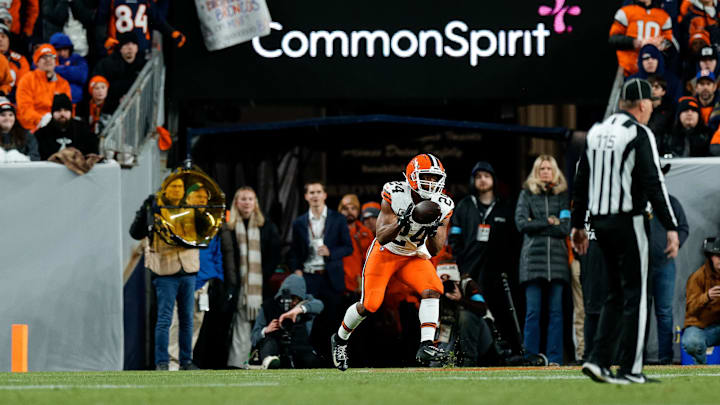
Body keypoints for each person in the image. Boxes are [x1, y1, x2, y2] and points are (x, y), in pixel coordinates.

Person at [572, 78, 679, 384]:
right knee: (637, 295)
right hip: (629, 221)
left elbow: (581, 181)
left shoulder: (596, 133)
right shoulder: (639, 132)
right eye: (651, 106)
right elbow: (653, 183)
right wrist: (670, 226)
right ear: (643, 105)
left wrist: (578, 225)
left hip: (600, 223)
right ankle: (631, 369)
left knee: (615, 294)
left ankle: (598, 360)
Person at [330, 153, 455, 371]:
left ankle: (426, 344)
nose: (431, 182)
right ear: (412, 176)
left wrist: (433, 228)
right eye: (427, 176)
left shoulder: (443, 205)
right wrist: (404, 221)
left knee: (434, 288)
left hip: (412, 254)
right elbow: (381, 235)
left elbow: (435, 250)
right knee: (370, 304)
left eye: (436, 178)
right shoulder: (396, 193)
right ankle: (339, 340)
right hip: (386, 252)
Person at [448, 161, 520, 352]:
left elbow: (514, 241)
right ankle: (471, 355)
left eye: (486, 176)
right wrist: (461, 267)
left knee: (503, 313)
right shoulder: (464, 206)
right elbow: (454, 239)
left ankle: (508, 352)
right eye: (478, 176)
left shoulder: (505, 206)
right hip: (469, 272)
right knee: (471, 312)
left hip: (498, 272)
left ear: (493, 180)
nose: (482, 180)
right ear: (473, 181)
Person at [129, 178, 200, 371]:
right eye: (173, 187)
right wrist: (143, 212)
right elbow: (135, 233)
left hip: (188, 268)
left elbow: (203, 234)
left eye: (180, 187)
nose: (177, 190)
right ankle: (162, 362)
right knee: (165, 318)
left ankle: (186, 361)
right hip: (164, 270)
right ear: (166, 190)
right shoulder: (154, 208)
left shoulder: (192, 207)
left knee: (187, 317)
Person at [515, 155, 570, 366]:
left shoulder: (562, 195)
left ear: (555, 171)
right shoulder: (526, 194)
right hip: (532, 261)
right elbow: (521, 224)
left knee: (556, 314)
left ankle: (554, 359)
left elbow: (565, 227)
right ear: (536, 172)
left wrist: (535, 223)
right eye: (542, 168)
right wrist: (548, 221)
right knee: (532, 312)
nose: (545, 171)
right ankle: (531, 358)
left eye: (549, 168)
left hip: (557, 261)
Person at [288, 181, 352, 359]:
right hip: (309, 277)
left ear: (325, 195)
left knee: (332, 320)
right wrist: (297, 270)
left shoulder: (337, 219)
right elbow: (293, 252)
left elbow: (348, 247)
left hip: (331, 277)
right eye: (311, 193)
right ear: (306, 197)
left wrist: (331, 252)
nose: (315, 196)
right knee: (309, 319)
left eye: (318, 192)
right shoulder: (299, 222)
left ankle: (333, 357)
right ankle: (310, 358)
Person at [221, 186, 282, 369]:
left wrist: (263, 275)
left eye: (250, 199)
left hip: (260, 287)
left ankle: (260, 360)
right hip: (237, 286)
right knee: (239, 326)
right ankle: (238, 364)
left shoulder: (267, 226)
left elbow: (274, 255)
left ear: (255, 203)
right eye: (243, 199)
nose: (247, 202)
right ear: (236, 203)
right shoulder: (229, 228)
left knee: (261, 323)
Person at [168, 184, 224, 370]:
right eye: (196, 196)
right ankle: (172, 361)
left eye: (203, 197)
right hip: (182, 277)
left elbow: (216, 252)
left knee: (196, 321)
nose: (200, 200)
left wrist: (218, 275)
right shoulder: (179, 219)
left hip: (203, 281)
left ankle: (185, 359)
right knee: (176, 320)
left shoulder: (210, 222)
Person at [649, 165, 689, 365]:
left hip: (665, 264)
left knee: (664, 312)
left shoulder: (671, 203)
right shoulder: (637, 203)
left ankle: (665, 357)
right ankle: (635, 357)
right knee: (639, 312)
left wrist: (676, 243)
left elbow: (683, 228)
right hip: (640, 267)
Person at [251, 274, 324, 369]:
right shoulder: (268, 306)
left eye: (295, 299)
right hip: (274, 347)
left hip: (299, 347)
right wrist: (265, 330)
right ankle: (269, 362)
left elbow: (320, 305)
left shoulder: (306, 304)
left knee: (310, 360)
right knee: (269, 345)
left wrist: (298, 310)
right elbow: (253, 337)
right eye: (290, 298)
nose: (292, 303)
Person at [96, 0, 186, 57]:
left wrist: (172, 32)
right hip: (119, 49)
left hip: (142, 50)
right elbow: (100, 21)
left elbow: (157, 19)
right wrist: (104, 39)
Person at [609, 0, 676, 77]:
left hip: (653, 72)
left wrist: (661, 45)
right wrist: (636, 42)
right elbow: (613, 39)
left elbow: (669, 43)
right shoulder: (625, 12)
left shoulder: (663, 16)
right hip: (629, 69)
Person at [16, 44, 72, 132]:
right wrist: (41, 120)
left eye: (51, 56)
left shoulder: (63, 83)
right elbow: (25, 108)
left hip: (57, 125)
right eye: (44, 57)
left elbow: (68, 108)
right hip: (32, 127)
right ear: (37, 62)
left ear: (56, 61)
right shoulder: (27, 80)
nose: (48, 59)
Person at [681, 237, 720, 364]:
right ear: (711, 257)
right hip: (701, 327)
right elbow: (690, 309)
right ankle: (701, 369)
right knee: (692, 342)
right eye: (718, 256)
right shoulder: (697, 277)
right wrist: (707, 297)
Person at [91, 32, 146, 113]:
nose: (130, 47)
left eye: (133, 44)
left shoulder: (143, 64)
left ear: (137, 48)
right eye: (126, 44)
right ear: (120, 49)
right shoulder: (108, 63)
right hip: (111, 107)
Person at [35, 94, 97, 160]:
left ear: (71, 112)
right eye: (58, 111)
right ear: (52, 113)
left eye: (66, 110)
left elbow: (92, 154)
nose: (62, 114)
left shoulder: (83, 130)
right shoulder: (42, 134)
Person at [338, 194, 374, 297]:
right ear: (340, 211)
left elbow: (371, 260)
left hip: (358, 284)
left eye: (353, 208)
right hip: (337, 283)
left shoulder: (365, 233)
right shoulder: (332, 230)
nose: (349, 212)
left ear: (358, 211)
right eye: (345, 208)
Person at [49, 32, 89, 104]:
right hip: (52, 101)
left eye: (65, 50)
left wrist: (55, 69)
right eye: (58, 50)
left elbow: (82, 76)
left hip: (75, 101)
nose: (62, 53)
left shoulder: (77, 58)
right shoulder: (46, 59)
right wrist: (69, 71)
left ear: (70, 49)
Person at [0, 23, 29, 101]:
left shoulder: (20, 60)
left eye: (3, 36)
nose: (0, 39)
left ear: (9, 40)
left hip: (14, 101)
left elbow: (24, 85)